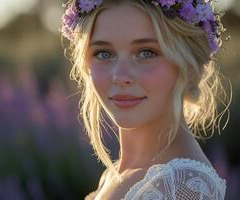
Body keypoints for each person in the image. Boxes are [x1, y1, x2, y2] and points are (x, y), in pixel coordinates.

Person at [60, 0, 231, 199]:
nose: (120, 76)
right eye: (103, 53)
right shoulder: (115, 175)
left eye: (146, 52)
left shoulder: (181, 187)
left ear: (188, 62)